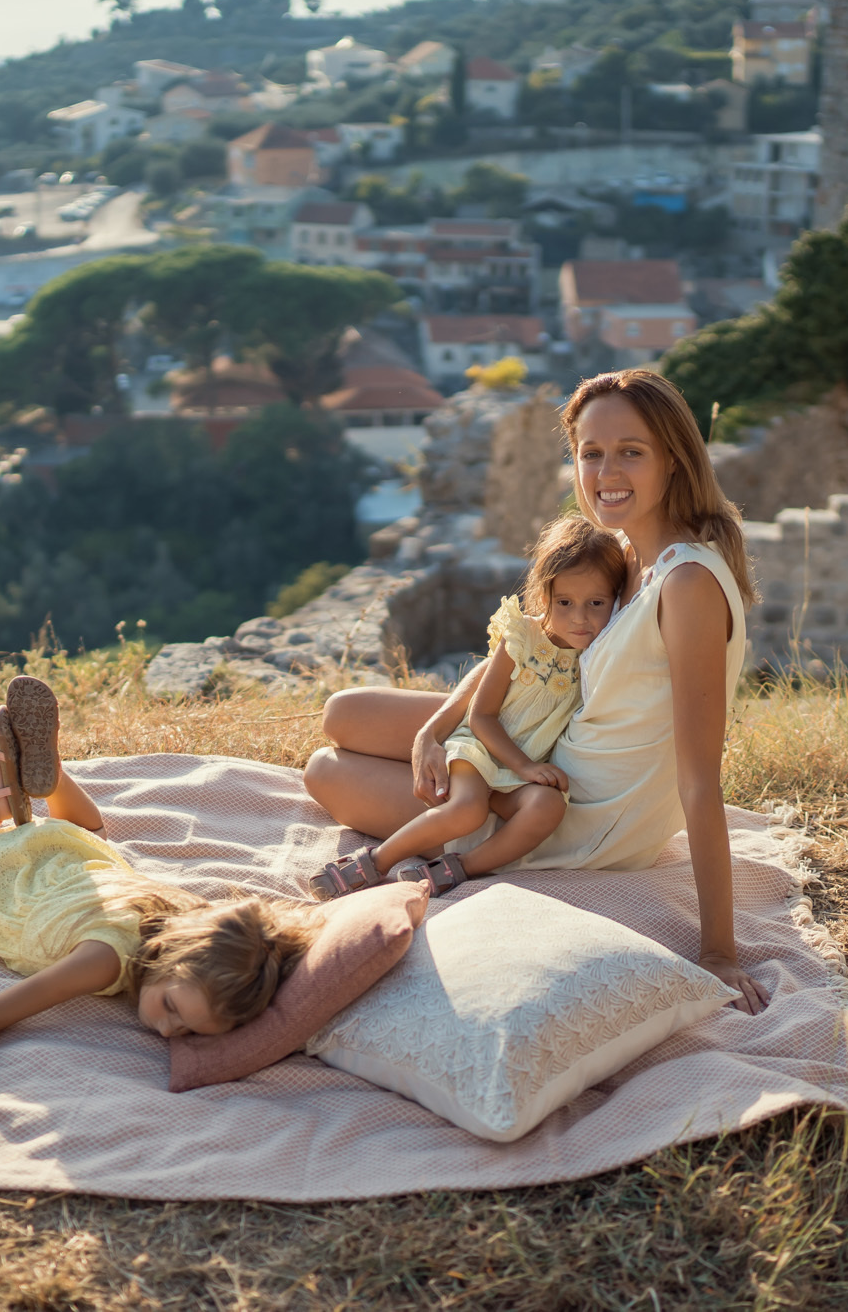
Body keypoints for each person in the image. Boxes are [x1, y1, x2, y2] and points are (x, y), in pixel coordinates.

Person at [303, 369, 768, 1012]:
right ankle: (448, 759)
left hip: (569, 811)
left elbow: (700, 779)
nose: (607, 471)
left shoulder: (685, 585)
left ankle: (470, 832)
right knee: (343, 713)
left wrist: (720, 950)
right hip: (541, 743)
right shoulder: (624, 552)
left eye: (631, 451)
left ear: (674, 460)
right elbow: (523, 645)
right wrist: (432, 732)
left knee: (326, 773)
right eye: (591, 452)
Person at [0, 676, 322, 1123]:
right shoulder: (103, 960)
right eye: (174, 1010)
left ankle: (51, 778)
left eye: (188, 1031)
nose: (168, 1033)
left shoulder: (189, 916)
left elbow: (256, 943)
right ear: (169, 957)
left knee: (94, 839)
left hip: (66, 849)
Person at [308, 515, 624, 899]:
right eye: (565, 602)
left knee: (548, 806)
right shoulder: (523, 638)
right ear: (545, 595)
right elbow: (481, 716)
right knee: (467, 810)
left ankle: (459, 869)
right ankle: (376, 861)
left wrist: (526, 772)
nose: (580, 618)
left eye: (596, 603)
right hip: (479, 750)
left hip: (518, 773)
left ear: (616, 599)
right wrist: (523, 765)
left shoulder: (601, 650)